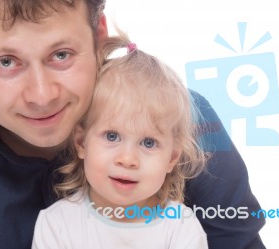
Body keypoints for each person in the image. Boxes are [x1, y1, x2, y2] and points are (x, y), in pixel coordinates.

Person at [0, 0, 265, 248]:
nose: (41, 95)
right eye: (7, 62)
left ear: (99, 36)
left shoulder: (181, 120)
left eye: (61, 55)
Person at [32, 33, 209, 248]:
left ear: (172, 157)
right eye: (112, 136)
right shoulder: (56, 224)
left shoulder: (181, 228)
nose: (127, 159)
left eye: (148, 143)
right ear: (81, 143)